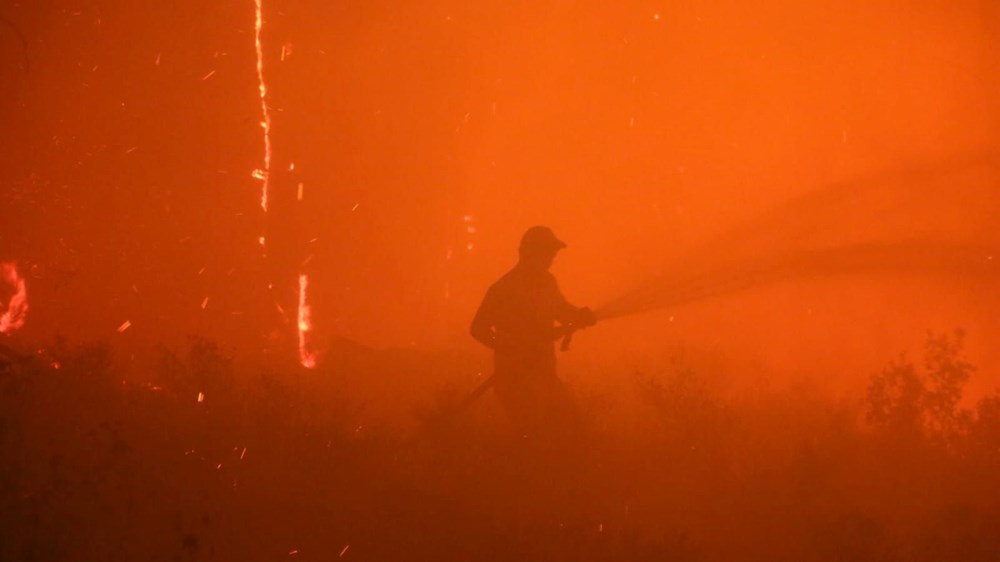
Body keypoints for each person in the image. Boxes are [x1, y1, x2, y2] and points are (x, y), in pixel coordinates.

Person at [470, 226, 597, 435]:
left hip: (545, 377)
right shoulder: (503, 289)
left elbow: (561, 311)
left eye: (552, 253)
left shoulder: (547, 283)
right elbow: (478, 328)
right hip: (515, 382)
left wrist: (580, 315)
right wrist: (506, 348)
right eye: (548, 253)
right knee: (536, 437)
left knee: (572, 429)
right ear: (530, 253)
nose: (552, 258)